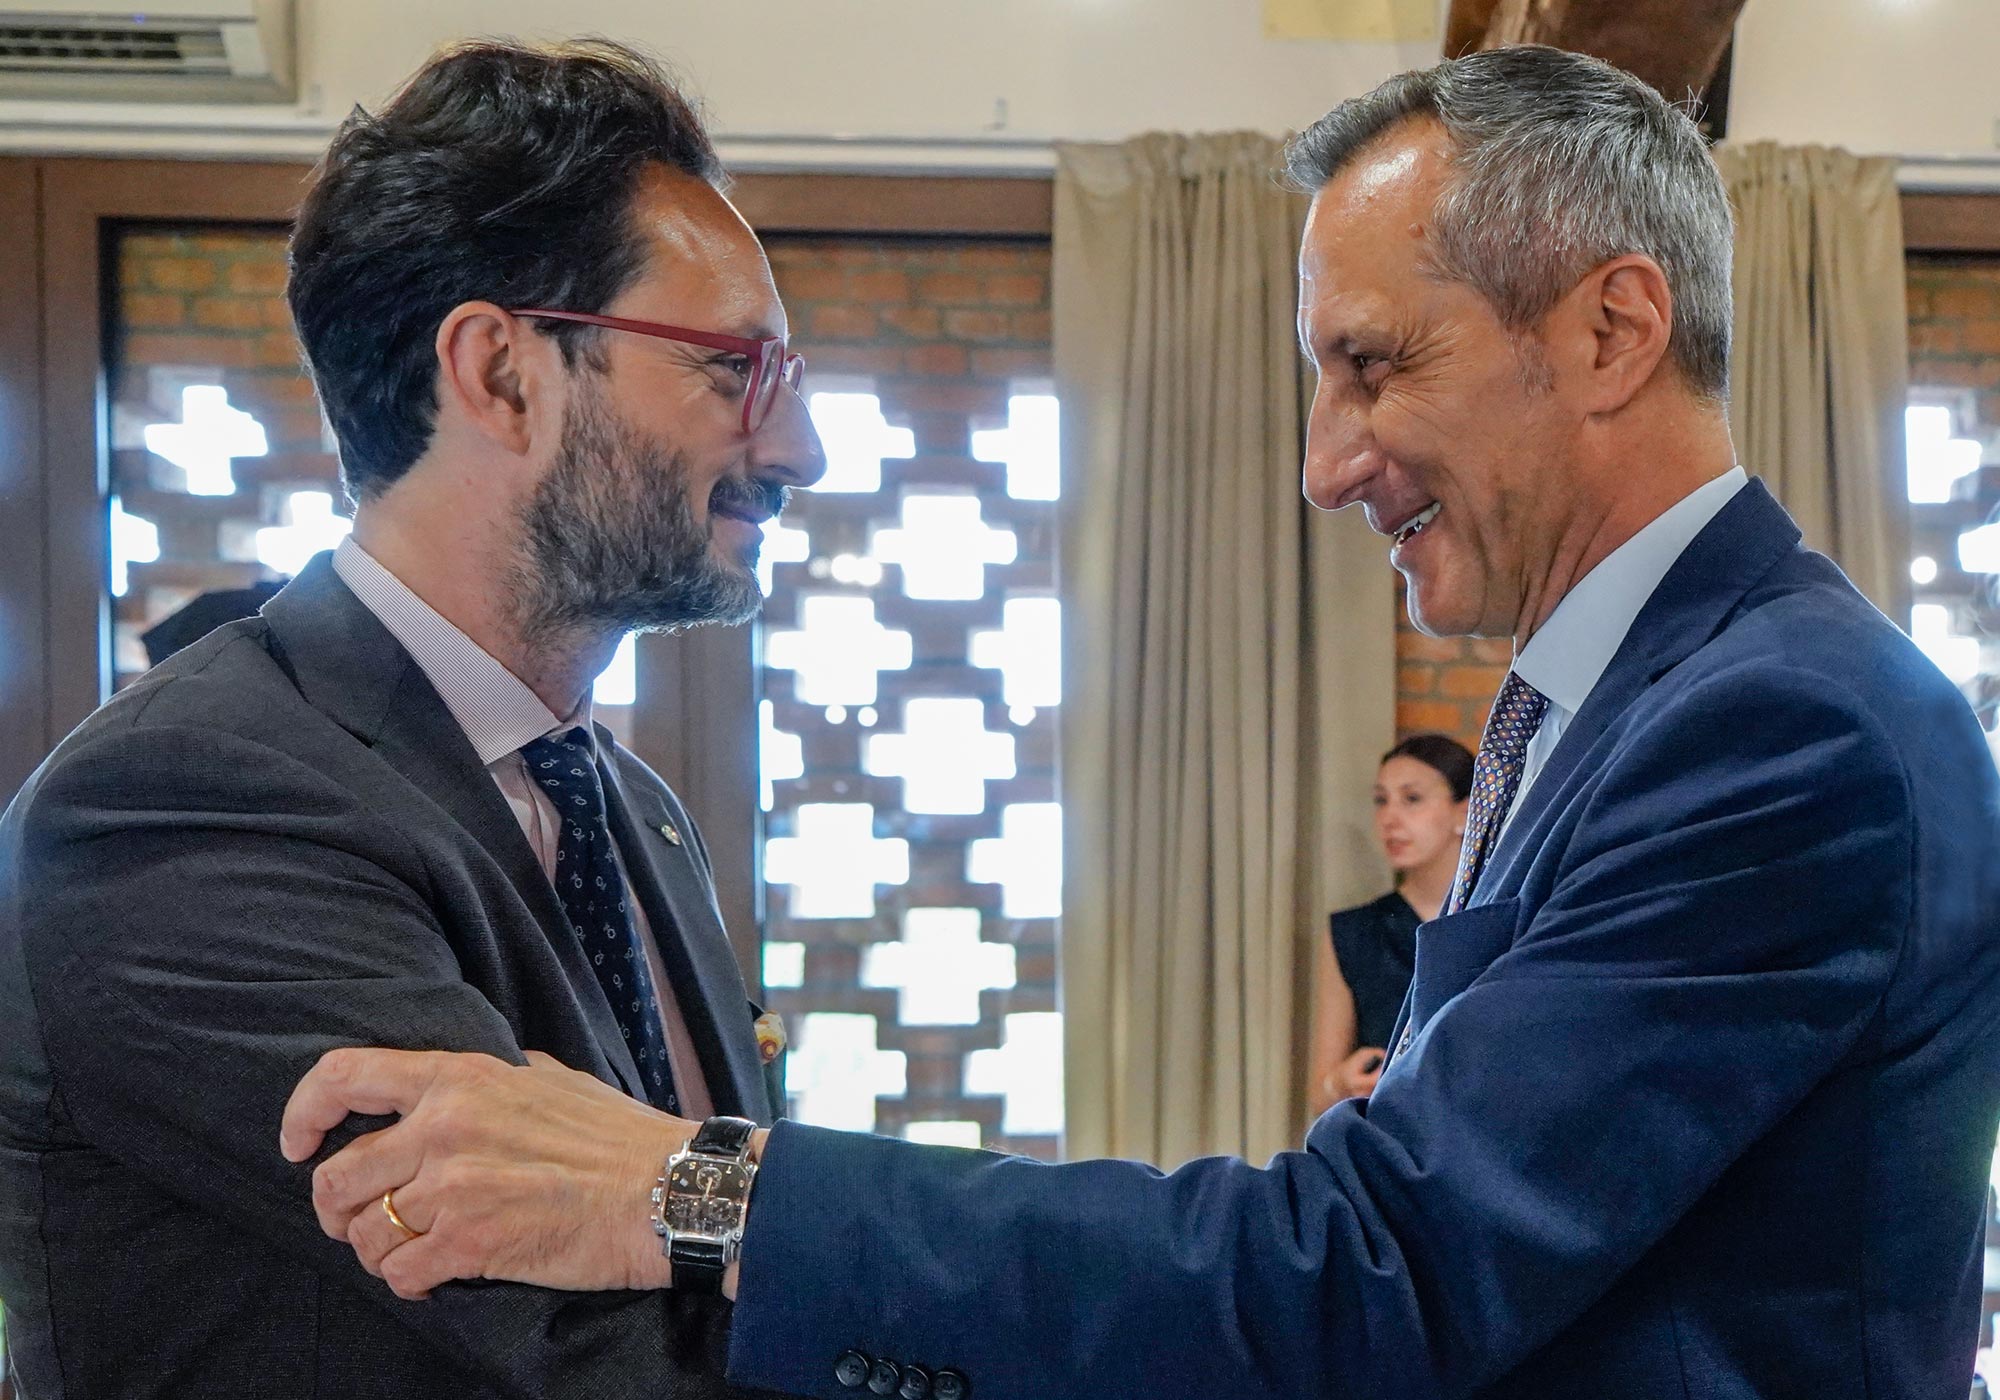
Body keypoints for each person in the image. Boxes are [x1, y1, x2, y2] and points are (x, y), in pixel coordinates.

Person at [280, 45, 2000, 1400]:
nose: (1325, 463)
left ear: (1613, 329)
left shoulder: (1784, 728)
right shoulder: (1629, 697)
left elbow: (1372, 1269)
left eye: (1374, 365)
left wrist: (695, 1192)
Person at [0, 38, 822, 1399]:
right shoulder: (188, 797)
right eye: (737, 369)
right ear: (499, 372)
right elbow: (590, 1345)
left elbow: (711, 1246)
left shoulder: (628, 805)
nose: (800, 450)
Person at [1310, 733, 1472, 1109]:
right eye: (1381, 800)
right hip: (1387, 1131)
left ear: (1464, 813)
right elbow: (1320, 1093)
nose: (1389, 818)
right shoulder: (1353, 932)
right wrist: (1341, 1082)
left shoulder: (1495, 922)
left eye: (1412, 799)